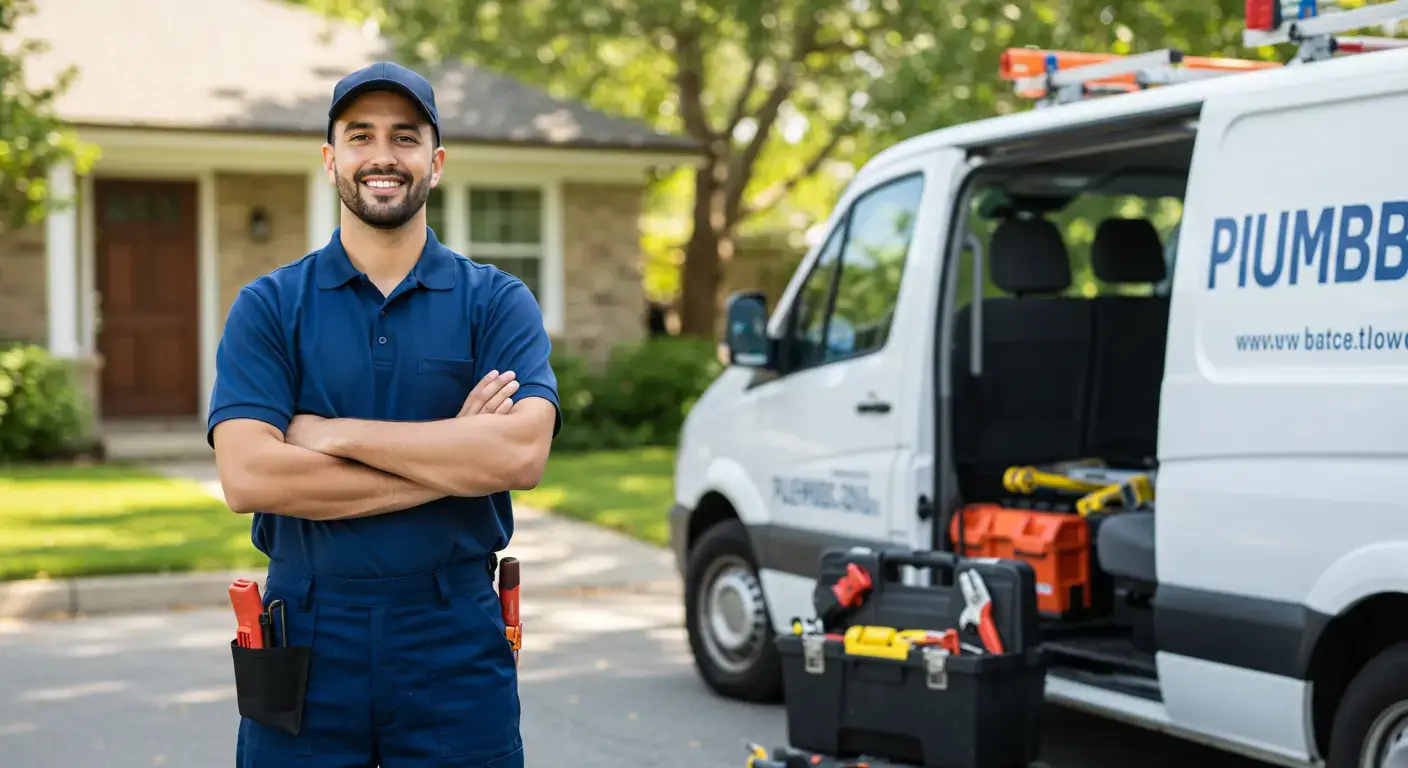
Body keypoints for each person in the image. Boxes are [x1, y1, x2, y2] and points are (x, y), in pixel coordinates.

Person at [208, 60, 559, 767]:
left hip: (454, 631)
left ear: (435, 161)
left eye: (405, 137)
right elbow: (250, 477)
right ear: (331, 158)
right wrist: (456, 456)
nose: (382, 155)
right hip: (307, 626)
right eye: (361, 135)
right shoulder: (271, 306)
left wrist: (333, 435)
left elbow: (519, 457)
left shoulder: (496, 302)